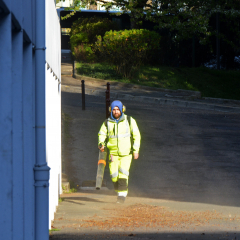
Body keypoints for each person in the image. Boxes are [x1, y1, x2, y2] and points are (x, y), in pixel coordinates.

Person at [98, 100, 141, 203]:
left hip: (126, 154)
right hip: (113, 154)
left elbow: (137, 136)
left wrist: (136, 150)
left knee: (123, 173)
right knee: (114, 175)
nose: (116, 111)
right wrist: (101, 144)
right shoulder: (107, 123)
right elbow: (102, 134)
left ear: (122, 110)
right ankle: (120, 191)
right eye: (114, 109)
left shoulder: (130, 121)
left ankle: (121, 196)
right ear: (110, 110)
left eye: (118, 109)